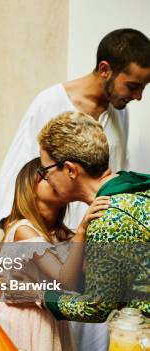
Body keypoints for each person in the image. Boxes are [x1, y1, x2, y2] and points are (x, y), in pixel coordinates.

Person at [0, 28, 150, 230]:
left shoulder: (121, 112)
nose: (138, 96)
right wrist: (20, 233)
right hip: (53, 240)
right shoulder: (49, 102)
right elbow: (18, 172)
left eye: (144, 87)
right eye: (132, 86)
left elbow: (116, 171)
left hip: (99, 233)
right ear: (105, 69)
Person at [31, 111, 149, 323]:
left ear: (70, 170)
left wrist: (39, 296)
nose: (45, 176)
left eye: (45, 169)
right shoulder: (138, 191)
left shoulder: (108, 219)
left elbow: (96, 308)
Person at [0, 157, 108, 351]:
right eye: (46, 177)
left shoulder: (61, 234)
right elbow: (65, 279)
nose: (55, 180)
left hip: (50, 317)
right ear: (30, 187)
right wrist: (82, 231)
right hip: (24, 321)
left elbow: (87, 277)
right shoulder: (23, 230)